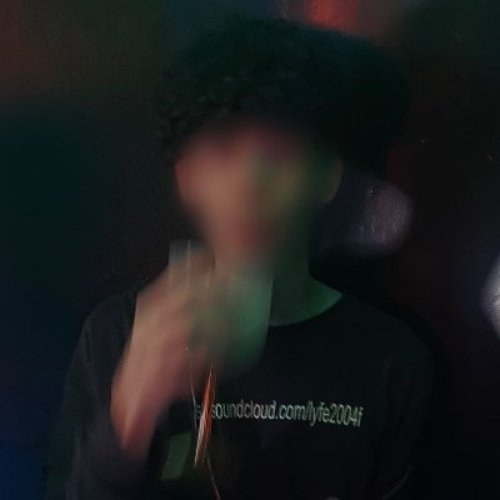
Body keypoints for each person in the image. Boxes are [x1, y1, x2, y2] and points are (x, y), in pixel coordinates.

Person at [44, 16, 433, 500]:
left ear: (326, 176)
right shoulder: (117, 334)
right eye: (223, 148)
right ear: (189, 178)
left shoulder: (392, 358)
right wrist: (131, 412)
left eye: (279, 151)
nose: (251, 181)